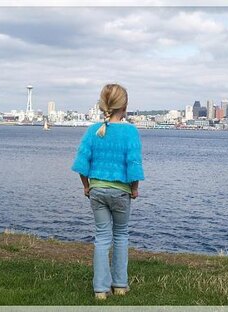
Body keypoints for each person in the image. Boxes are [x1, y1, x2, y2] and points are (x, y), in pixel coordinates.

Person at [71, 83, 144, 300]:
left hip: (97, 191)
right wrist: (135, 188)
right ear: (125, 106)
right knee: (121, 235)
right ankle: (120, 285)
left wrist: (86, 186)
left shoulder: (93, 130)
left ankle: (100, 290)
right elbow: (133, 163)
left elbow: (81, 162)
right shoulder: (130, 131)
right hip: (121, 191)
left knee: (102, 237)